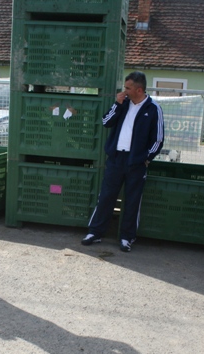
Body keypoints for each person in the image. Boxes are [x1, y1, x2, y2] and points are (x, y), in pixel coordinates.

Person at [80, 71, 164, 252]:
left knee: (133, 201)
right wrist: (117, 105)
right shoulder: (122, 103)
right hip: (116, 158)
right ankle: (95, 232)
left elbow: (158, 139)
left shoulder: (153, 108)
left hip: (137, 162)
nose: (124, 91)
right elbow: (106, 122)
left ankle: (127, 237)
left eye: (127, 88)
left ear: (139, 90)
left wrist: (146, 158)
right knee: (106, 196)